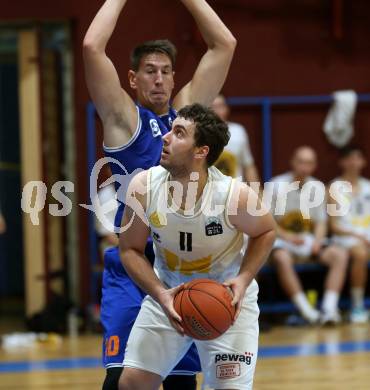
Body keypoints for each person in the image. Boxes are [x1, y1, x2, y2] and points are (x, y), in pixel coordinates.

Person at [83, 1, 236, 388]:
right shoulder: (124, 120)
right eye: (150, 72)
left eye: (166, 72)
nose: (160, 80)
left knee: (182, 383)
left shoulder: (186, 118)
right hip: (134, 270)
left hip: (182, 271)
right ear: (132, 79)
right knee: (122, 381)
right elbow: (91, 48)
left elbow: (224, 44)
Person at [118, 104, 276, 390]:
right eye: (170, 130)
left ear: (201, 151)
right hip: (169, 291)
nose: (165, 137)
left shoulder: (233, 195)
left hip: (226, 299)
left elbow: (266, 230)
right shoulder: (143, 186)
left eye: (178, 133)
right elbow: (129, 249)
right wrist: (160, 294)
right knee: (131, 384)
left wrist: (242, 279)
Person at [269, 146, 349, 325]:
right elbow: (268, 222)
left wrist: (318, 241)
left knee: (340, 255)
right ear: (293, 162)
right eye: (301, 162)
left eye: (310, 163)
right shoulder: (275, 185)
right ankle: (308, 312)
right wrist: (288, 237)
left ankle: (329, 309)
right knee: (281, 258)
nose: (305, 167)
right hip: (283, 241)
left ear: (314, 165)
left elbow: (321, 222)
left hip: (307, 240)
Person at [330, 145, 370, 323]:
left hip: (366, 236)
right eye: (350, 158)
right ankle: (357, 306)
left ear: (363, 162)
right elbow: (334, 225)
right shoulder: (334, 187)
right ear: (342, 162)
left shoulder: (368, 186)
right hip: (345, 237)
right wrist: (357, 235)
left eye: (357, 158)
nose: (354, 162)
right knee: (361, 253)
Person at [211, 94, 259, 183]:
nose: (217, 111)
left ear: (227, 109)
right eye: (213, 107)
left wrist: (258, 192)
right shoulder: (199, 133)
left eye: (220, 106)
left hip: (235, 191)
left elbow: (248, 165)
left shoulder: (238, 131)